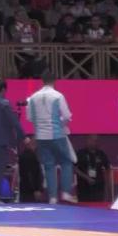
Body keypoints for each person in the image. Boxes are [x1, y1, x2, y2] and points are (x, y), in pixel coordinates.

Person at [26, 72, 76, 203]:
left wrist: (40, 125)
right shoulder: (58, 96)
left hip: (41, 137)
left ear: (42, 81)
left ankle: (53, 197)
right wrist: (60, 124)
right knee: (66, 162)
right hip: (56, 134)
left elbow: (29, 117)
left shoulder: (33, 97)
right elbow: (67, 115)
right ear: (55, 81)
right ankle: (66, 192)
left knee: (49, 166)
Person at [75, 135, 111, 202]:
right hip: (83, 188)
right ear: (87, 140)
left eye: (96, 140)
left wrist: (107, 187)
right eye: (92, 140)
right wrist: (86, 177)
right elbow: (75, 168)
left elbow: (108, 169)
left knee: (98, 206)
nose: (94, 142)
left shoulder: (101, 154)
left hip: (99, 188)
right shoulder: (80, 153)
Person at [18, 136, 45, 202]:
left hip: (24, 190)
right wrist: (36, 189)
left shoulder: (24, 155)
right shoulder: (31, 157)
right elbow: (33, 174)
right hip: (31, 192)